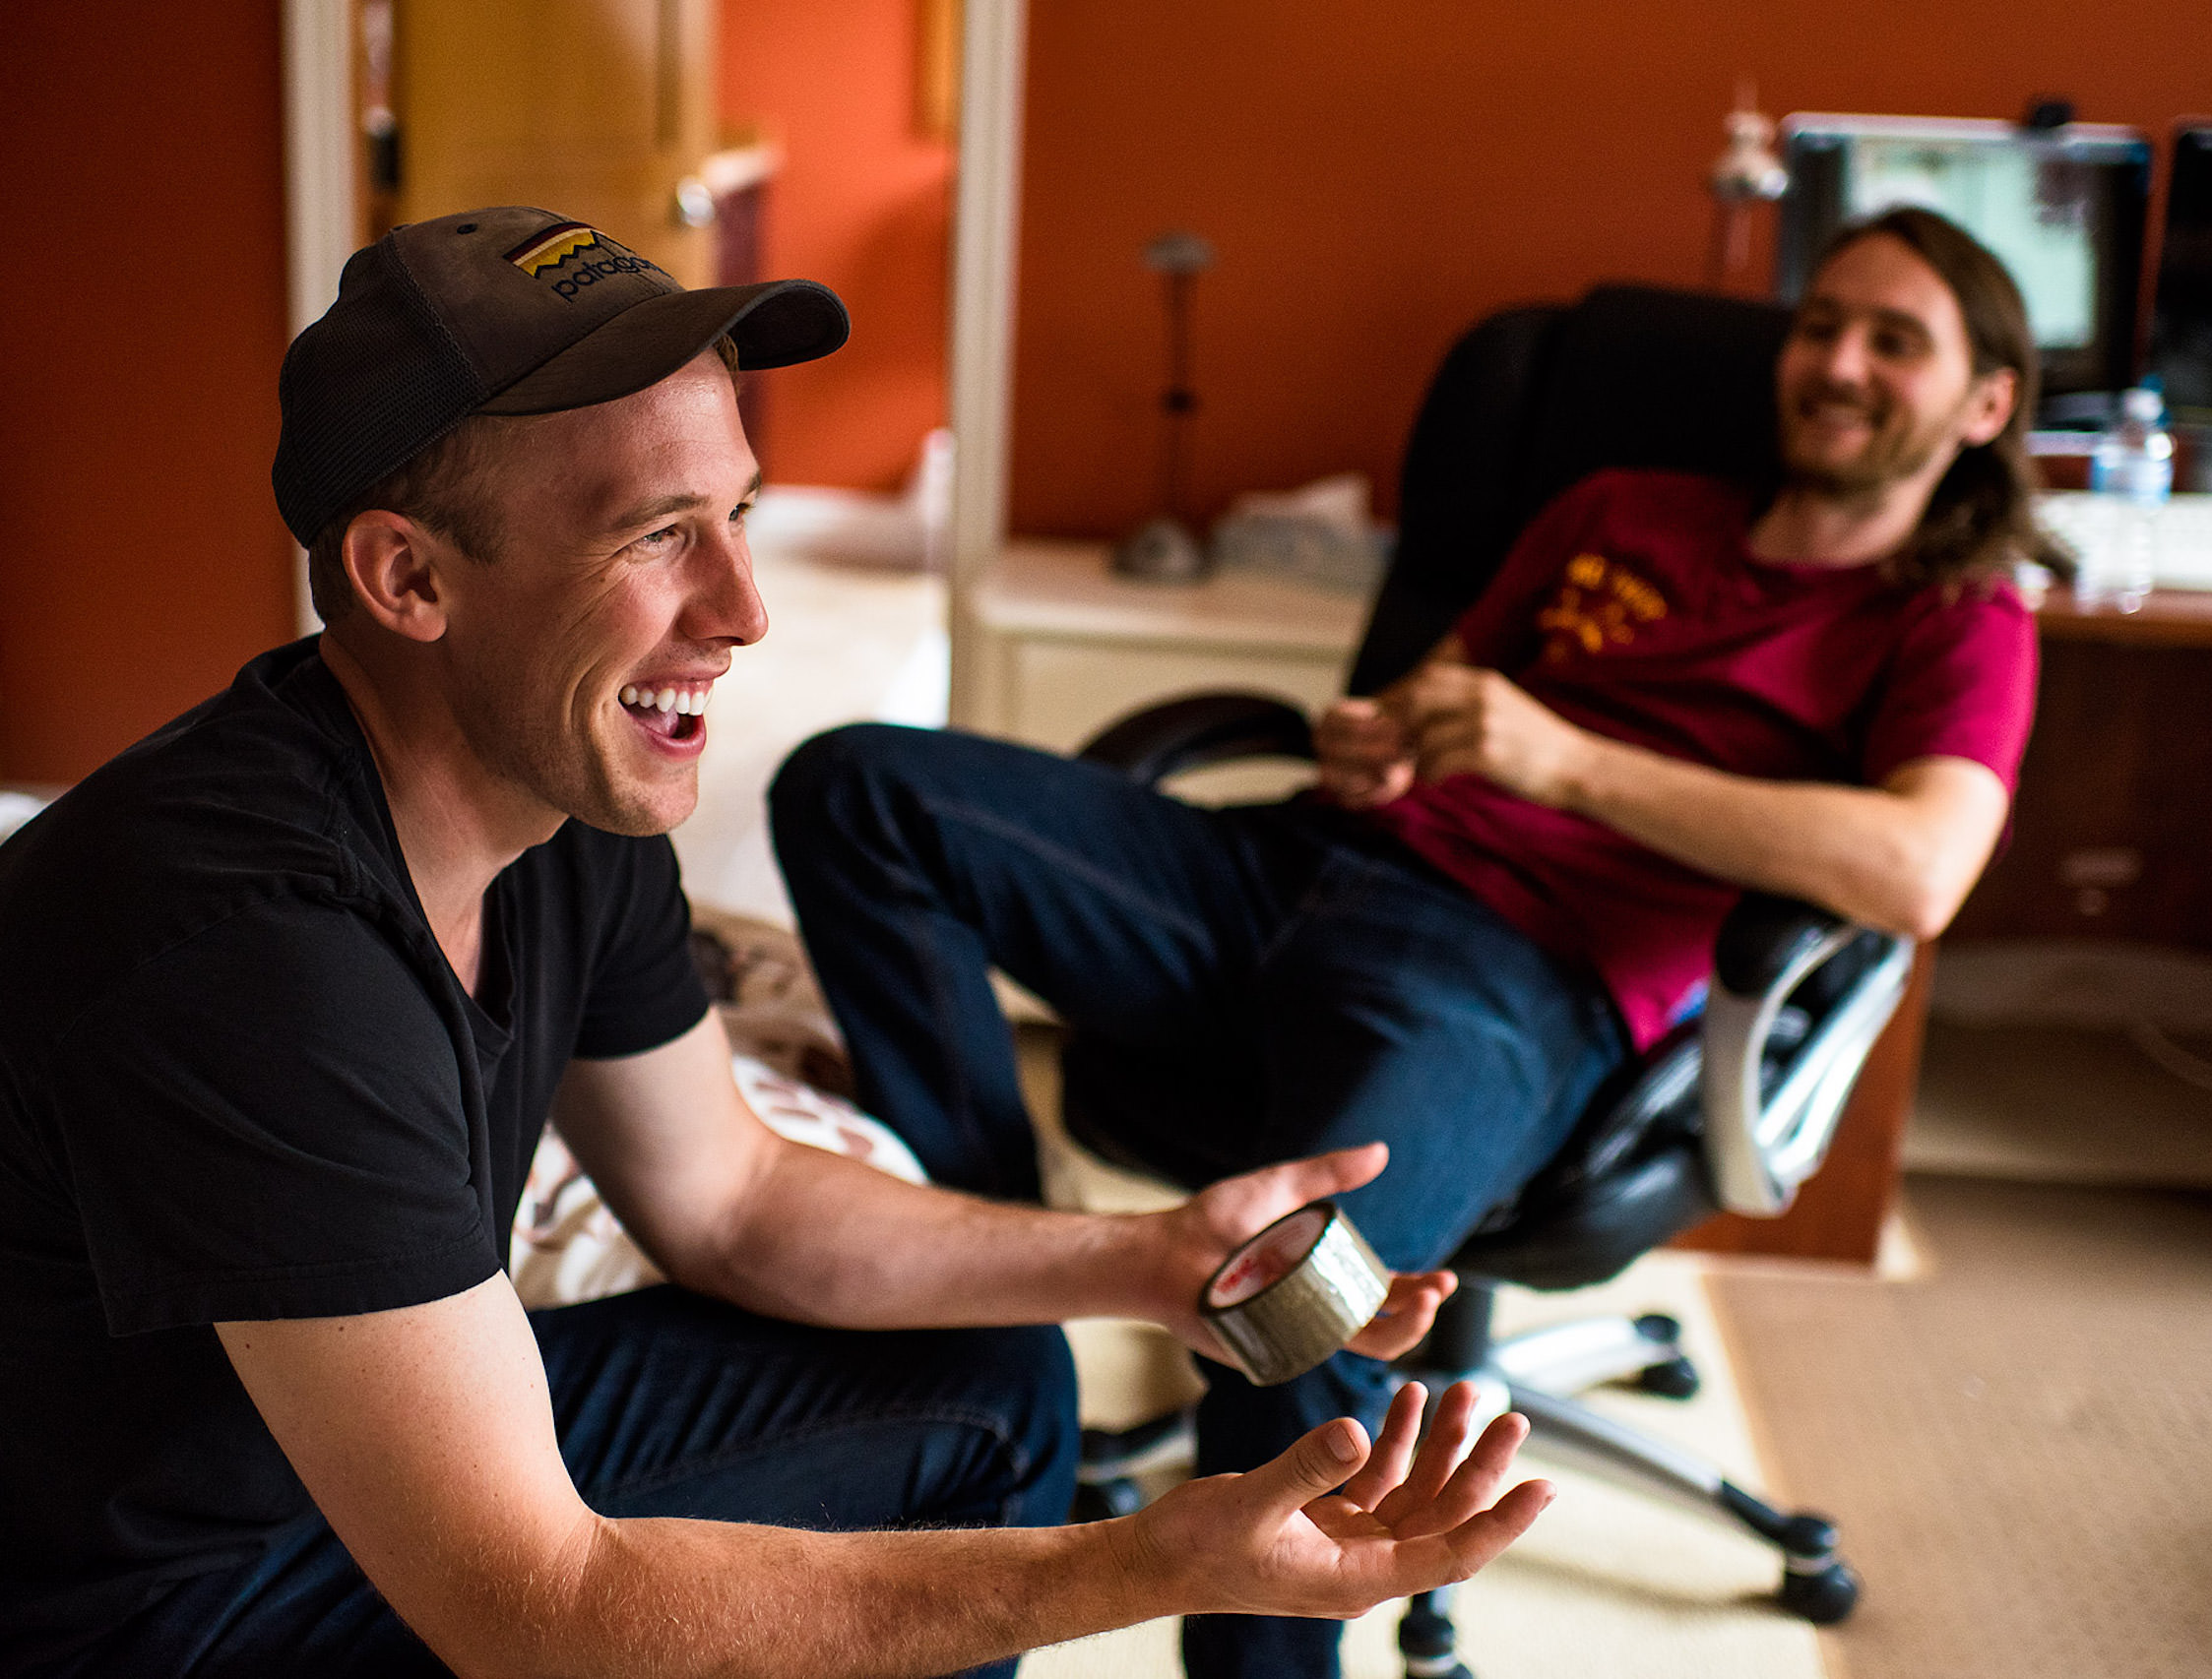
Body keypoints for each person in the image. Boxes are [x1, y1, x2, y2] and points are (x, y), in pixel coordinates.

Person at [0, 208, 1558, 1679]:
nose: (746, 609)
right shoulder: (249, 952)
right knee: (965, 1511)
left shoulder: (555, 781)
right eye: (657, 538)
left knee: (986, 1385)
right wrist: (1144, 1563)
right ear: (409, 579)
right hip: (92, 1616)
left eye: (739, 516)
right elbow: (533, 1607)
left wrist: (1152, 1257)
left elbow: (733, 1203)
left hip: (282, 1473)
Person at [769, 206, 2047, 1679]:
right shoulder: (1619, 507)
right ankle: (1000, 1295)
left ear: (1984, 402)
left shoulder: (1953, 617)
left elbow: (1917, 867)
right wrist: (1386, 739)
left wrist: (1563, 763)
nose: (1840, 361)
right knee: (859, 788)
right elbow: (1439, 695)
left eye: (1898, 341)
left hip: (1509, 982)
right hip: (1301, 867)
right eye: (1824, 324)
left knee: (1301, 1300)